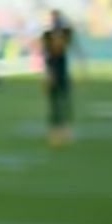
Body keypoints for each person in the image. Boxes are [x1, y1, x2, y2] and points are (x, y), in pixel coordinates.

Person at [41, 10, 77, 146]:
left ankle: (64, 130)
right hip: (54, 76)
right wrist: (49, 77)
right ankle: (55, 132)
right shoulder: (48, 38)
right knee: (55, 105)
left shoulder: (63, 36)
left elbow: (70, 33)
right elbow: (48, 61)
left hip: (62, 76)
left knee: (65, 104)